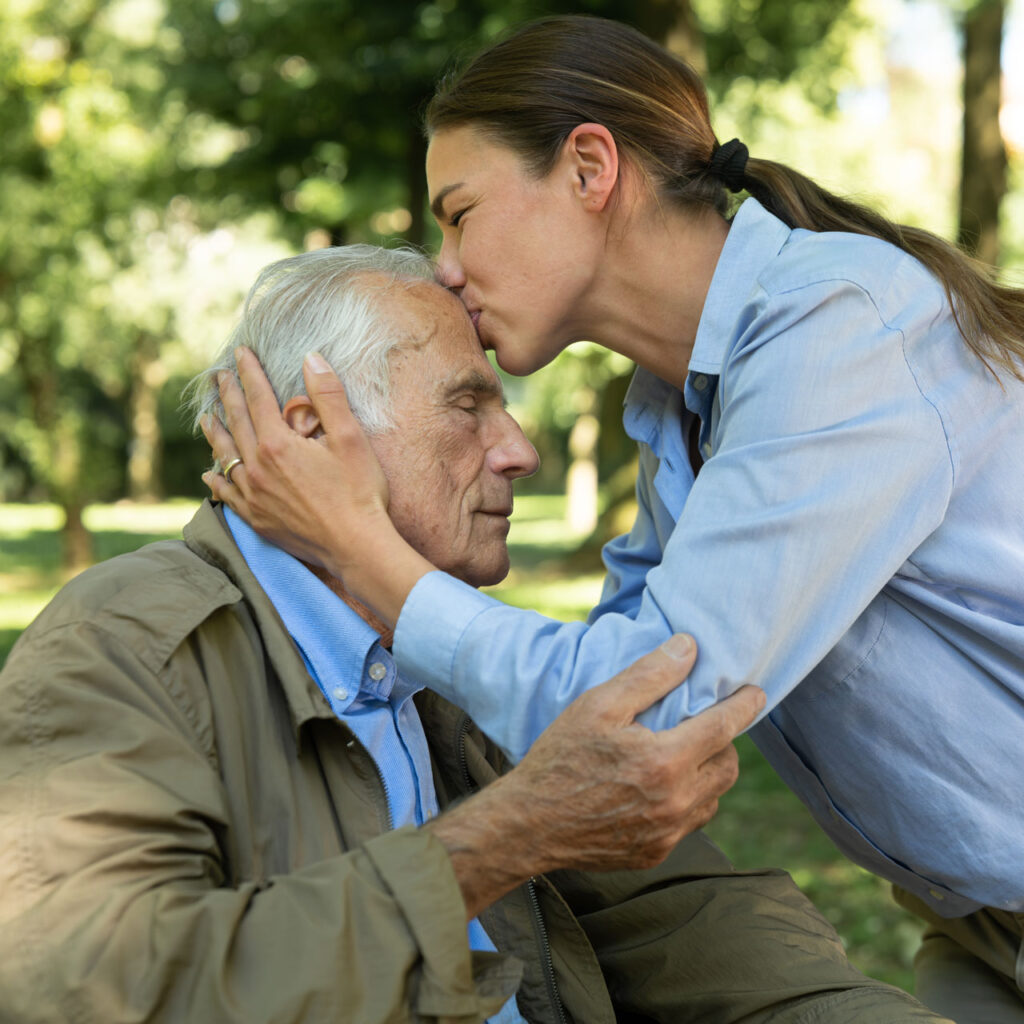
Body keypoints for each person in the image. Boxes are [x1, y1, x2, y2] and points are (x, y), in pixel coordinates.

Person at [202, 15, 1024, 1023]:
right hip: (976, 925)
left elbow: (642, 716)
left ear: (590, 167)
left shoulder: (841, 331)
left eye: (457, 213)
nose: (446, 264)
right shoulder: (680, 412)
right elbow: (594, 698)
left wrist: (361, 549)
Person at [0, 245, 951, 1024]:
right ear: (311, 433)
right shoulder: (128, 644)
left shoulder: (451, 655)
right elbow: (80, 990)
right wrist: (507, 835)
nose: (520, 451)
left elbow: (689, 919)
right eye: (468, 404)